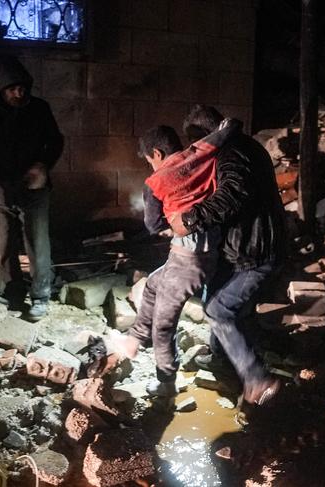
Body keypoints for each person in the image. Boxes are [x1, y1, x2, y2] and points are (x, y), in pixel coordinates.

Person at [110, 121, 241, 397]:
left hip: (188, 260)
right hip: (207, 254)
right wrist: (228, 125)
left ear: (156, 154)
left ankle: (166, 381)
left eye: (149, 162)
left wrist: (173, 225)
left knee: (163, 325)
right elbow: (224, 133)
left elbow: (153, 225)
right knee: (153, 284)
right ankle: (134, 338)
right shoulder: (198, 155)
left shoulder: (156, 181)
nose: (151, 167)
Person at [168, 105, 287, 406]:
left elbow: (233, 193)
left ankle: (258, 380)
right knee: (216, 298)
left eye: (195, 144)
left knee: (219, 311)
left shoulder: (231, 154)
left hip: (255, 251)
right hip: (243, 246)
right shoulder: (245, 147)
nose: (195, 152)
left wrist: (191, 219)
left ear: (206, 138)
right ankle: (221, 359)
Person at [0, 57, 63, 320]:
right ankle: (13, 290)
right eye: (13, 89)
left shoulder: (39, 109)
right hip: (1, 184)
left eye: (23, 88)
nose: (20, 93)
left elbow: (55, 142)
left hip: (34, 185)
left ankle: (41, 296)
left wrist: (43, 165)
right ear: (1, 90)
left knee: (37, 242)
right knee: (5, 243)